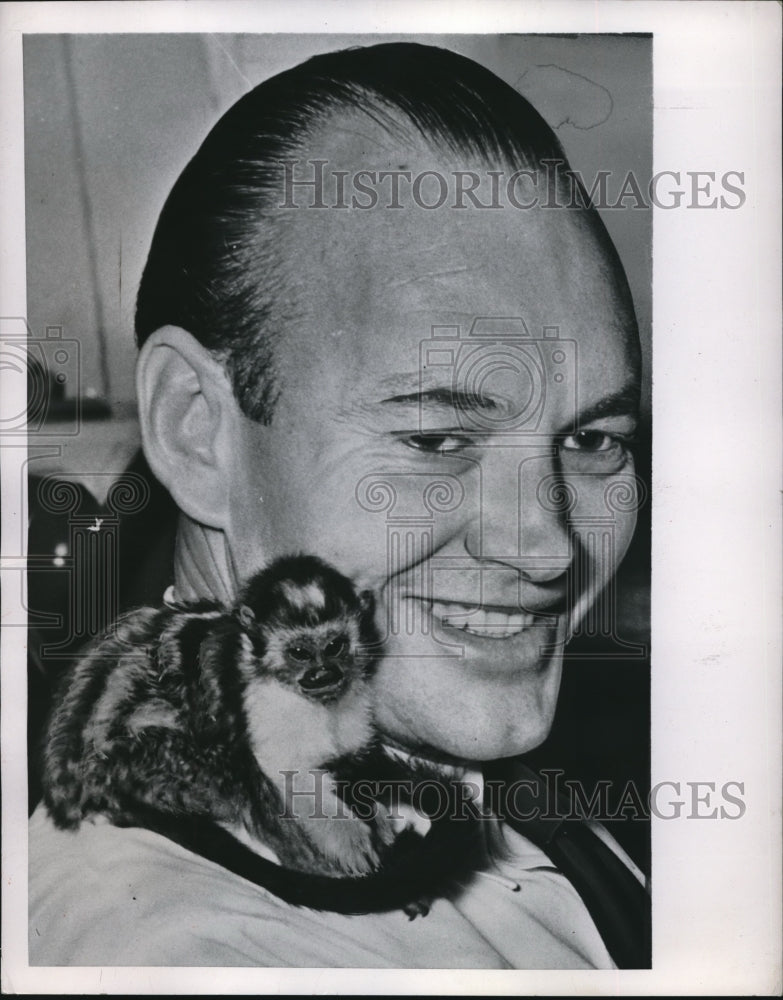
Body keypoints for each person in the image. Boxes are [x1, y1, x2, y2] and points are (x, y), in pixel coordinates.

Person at [28, 41, 650, 969]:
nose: (549, 545)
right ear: (199, 431)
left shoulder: (455, 768)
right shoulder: (195, 947)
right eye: (437, 441)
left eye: (592, 440)